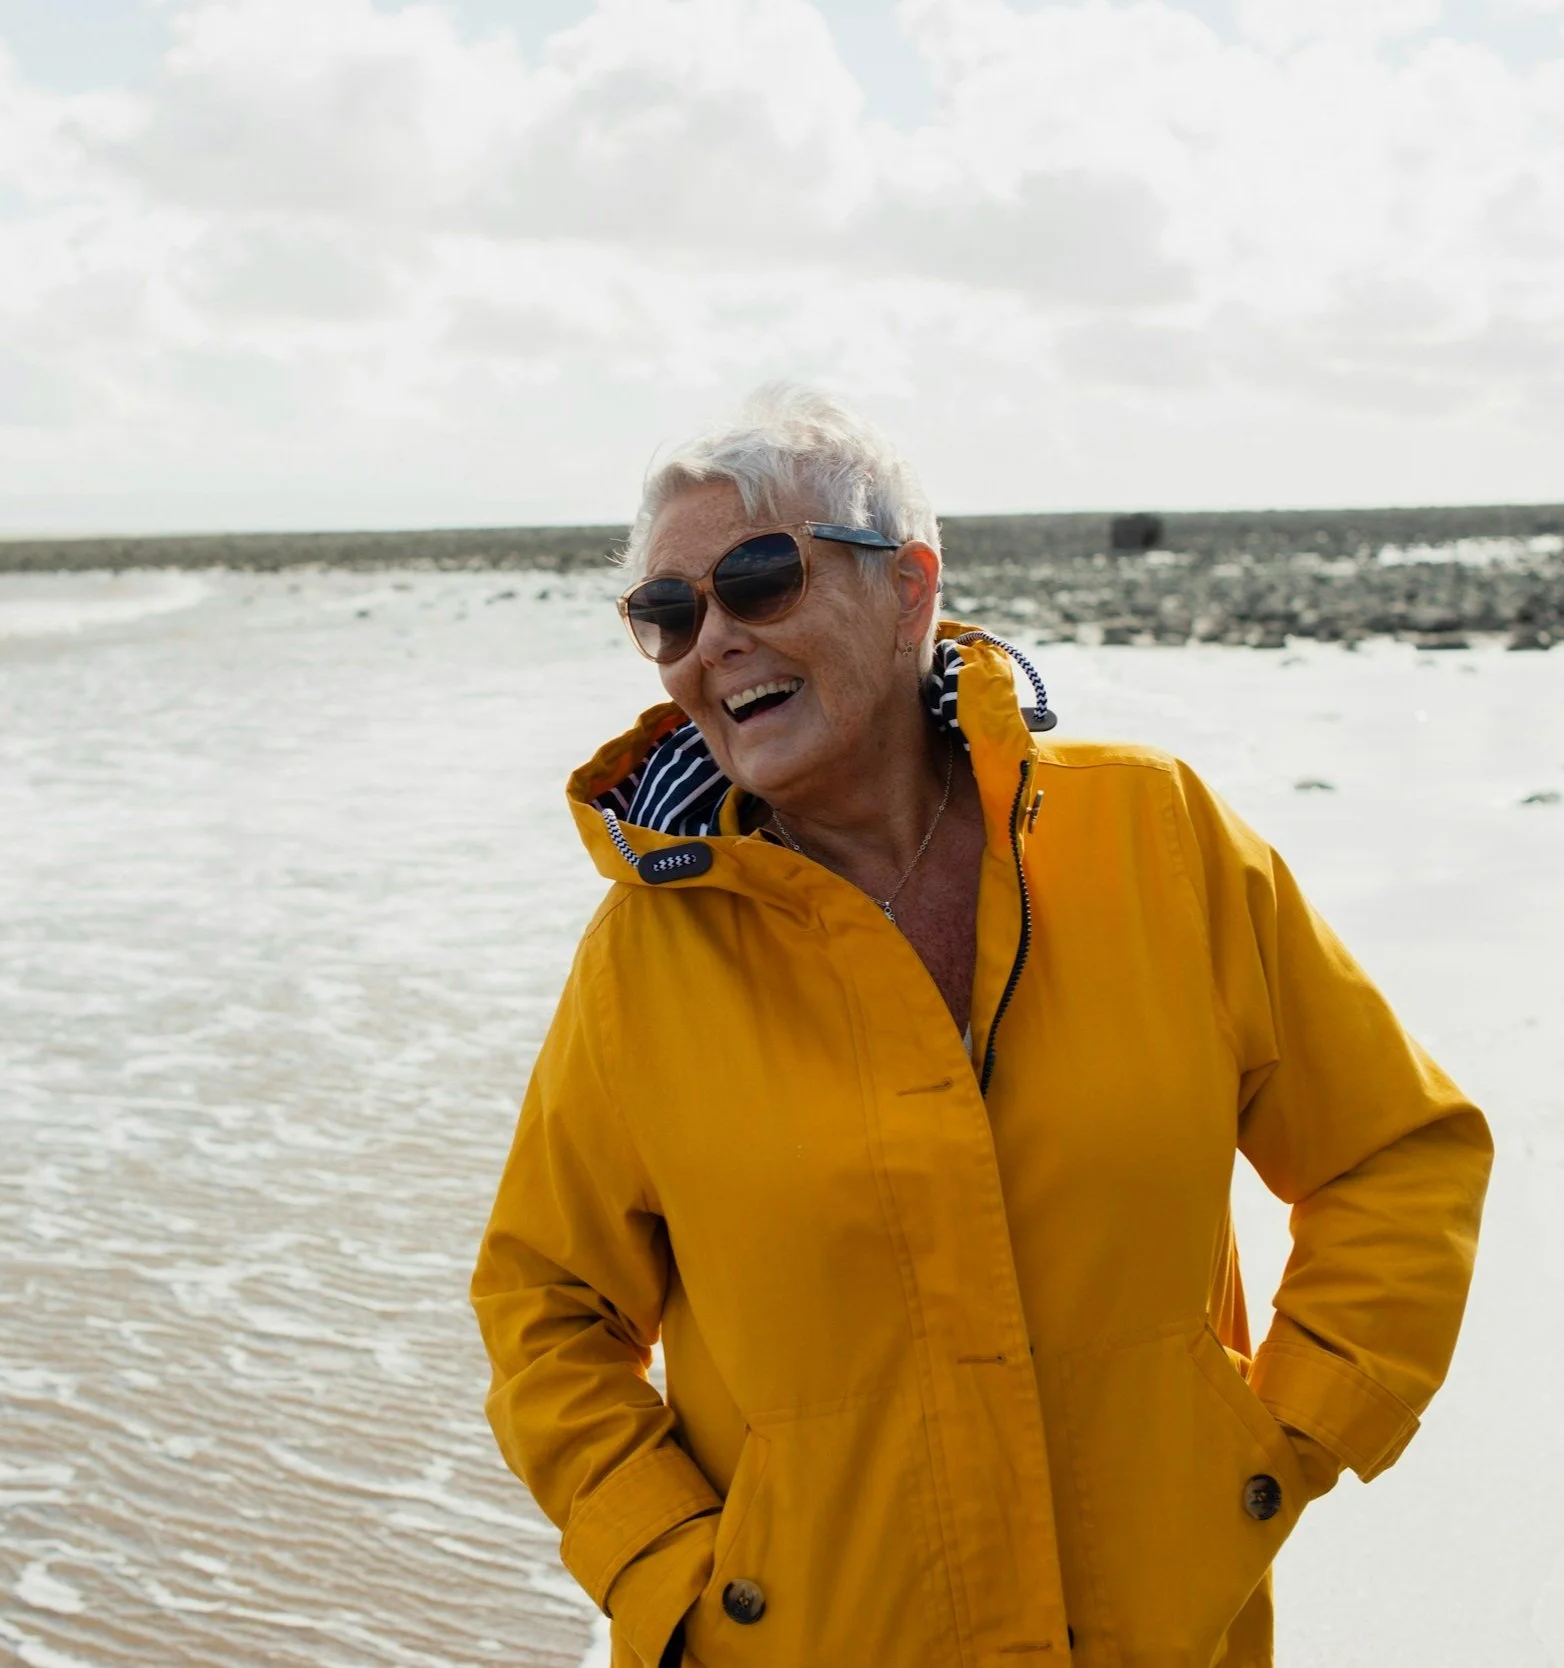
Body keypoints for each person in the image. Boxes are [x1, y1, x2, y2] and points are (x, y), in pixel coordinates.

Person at [470, 386, 1492, 1668]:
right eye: (668, 615)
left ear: (909, 589)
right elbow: (545, 1308)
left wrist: (1281, 1441)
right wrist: (673, 1580)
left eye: (759, 579)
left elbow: (1398, 1153)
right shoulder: (644, 958)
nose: (712, 639)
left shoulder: (1156, 836)